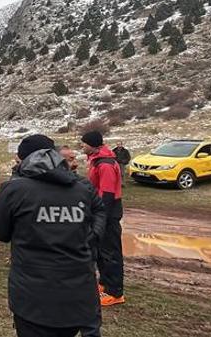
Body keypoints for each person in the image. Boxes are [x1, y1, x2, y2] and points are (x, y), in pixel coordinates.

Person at [0, 134, 106, 337]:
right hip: (78, 291)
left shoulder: (14, 190)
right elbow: (100, 211)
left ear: (24, 160)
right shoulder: (81, 188)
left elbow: (0, 233)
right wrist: (91, 237)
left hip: (32, 295)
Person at [81, 131, 125, 307]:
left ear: (93, 145)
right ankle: (105, 283)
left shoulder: (105, 164)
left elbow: (107, 193)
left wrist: (100, 216)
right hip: (99, 211)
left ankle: (115, 292)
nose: (82, 146)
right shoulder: (96, 160)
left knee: (111, 252)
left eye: (84, 143)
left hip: (108, 212)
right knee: (101, 251)